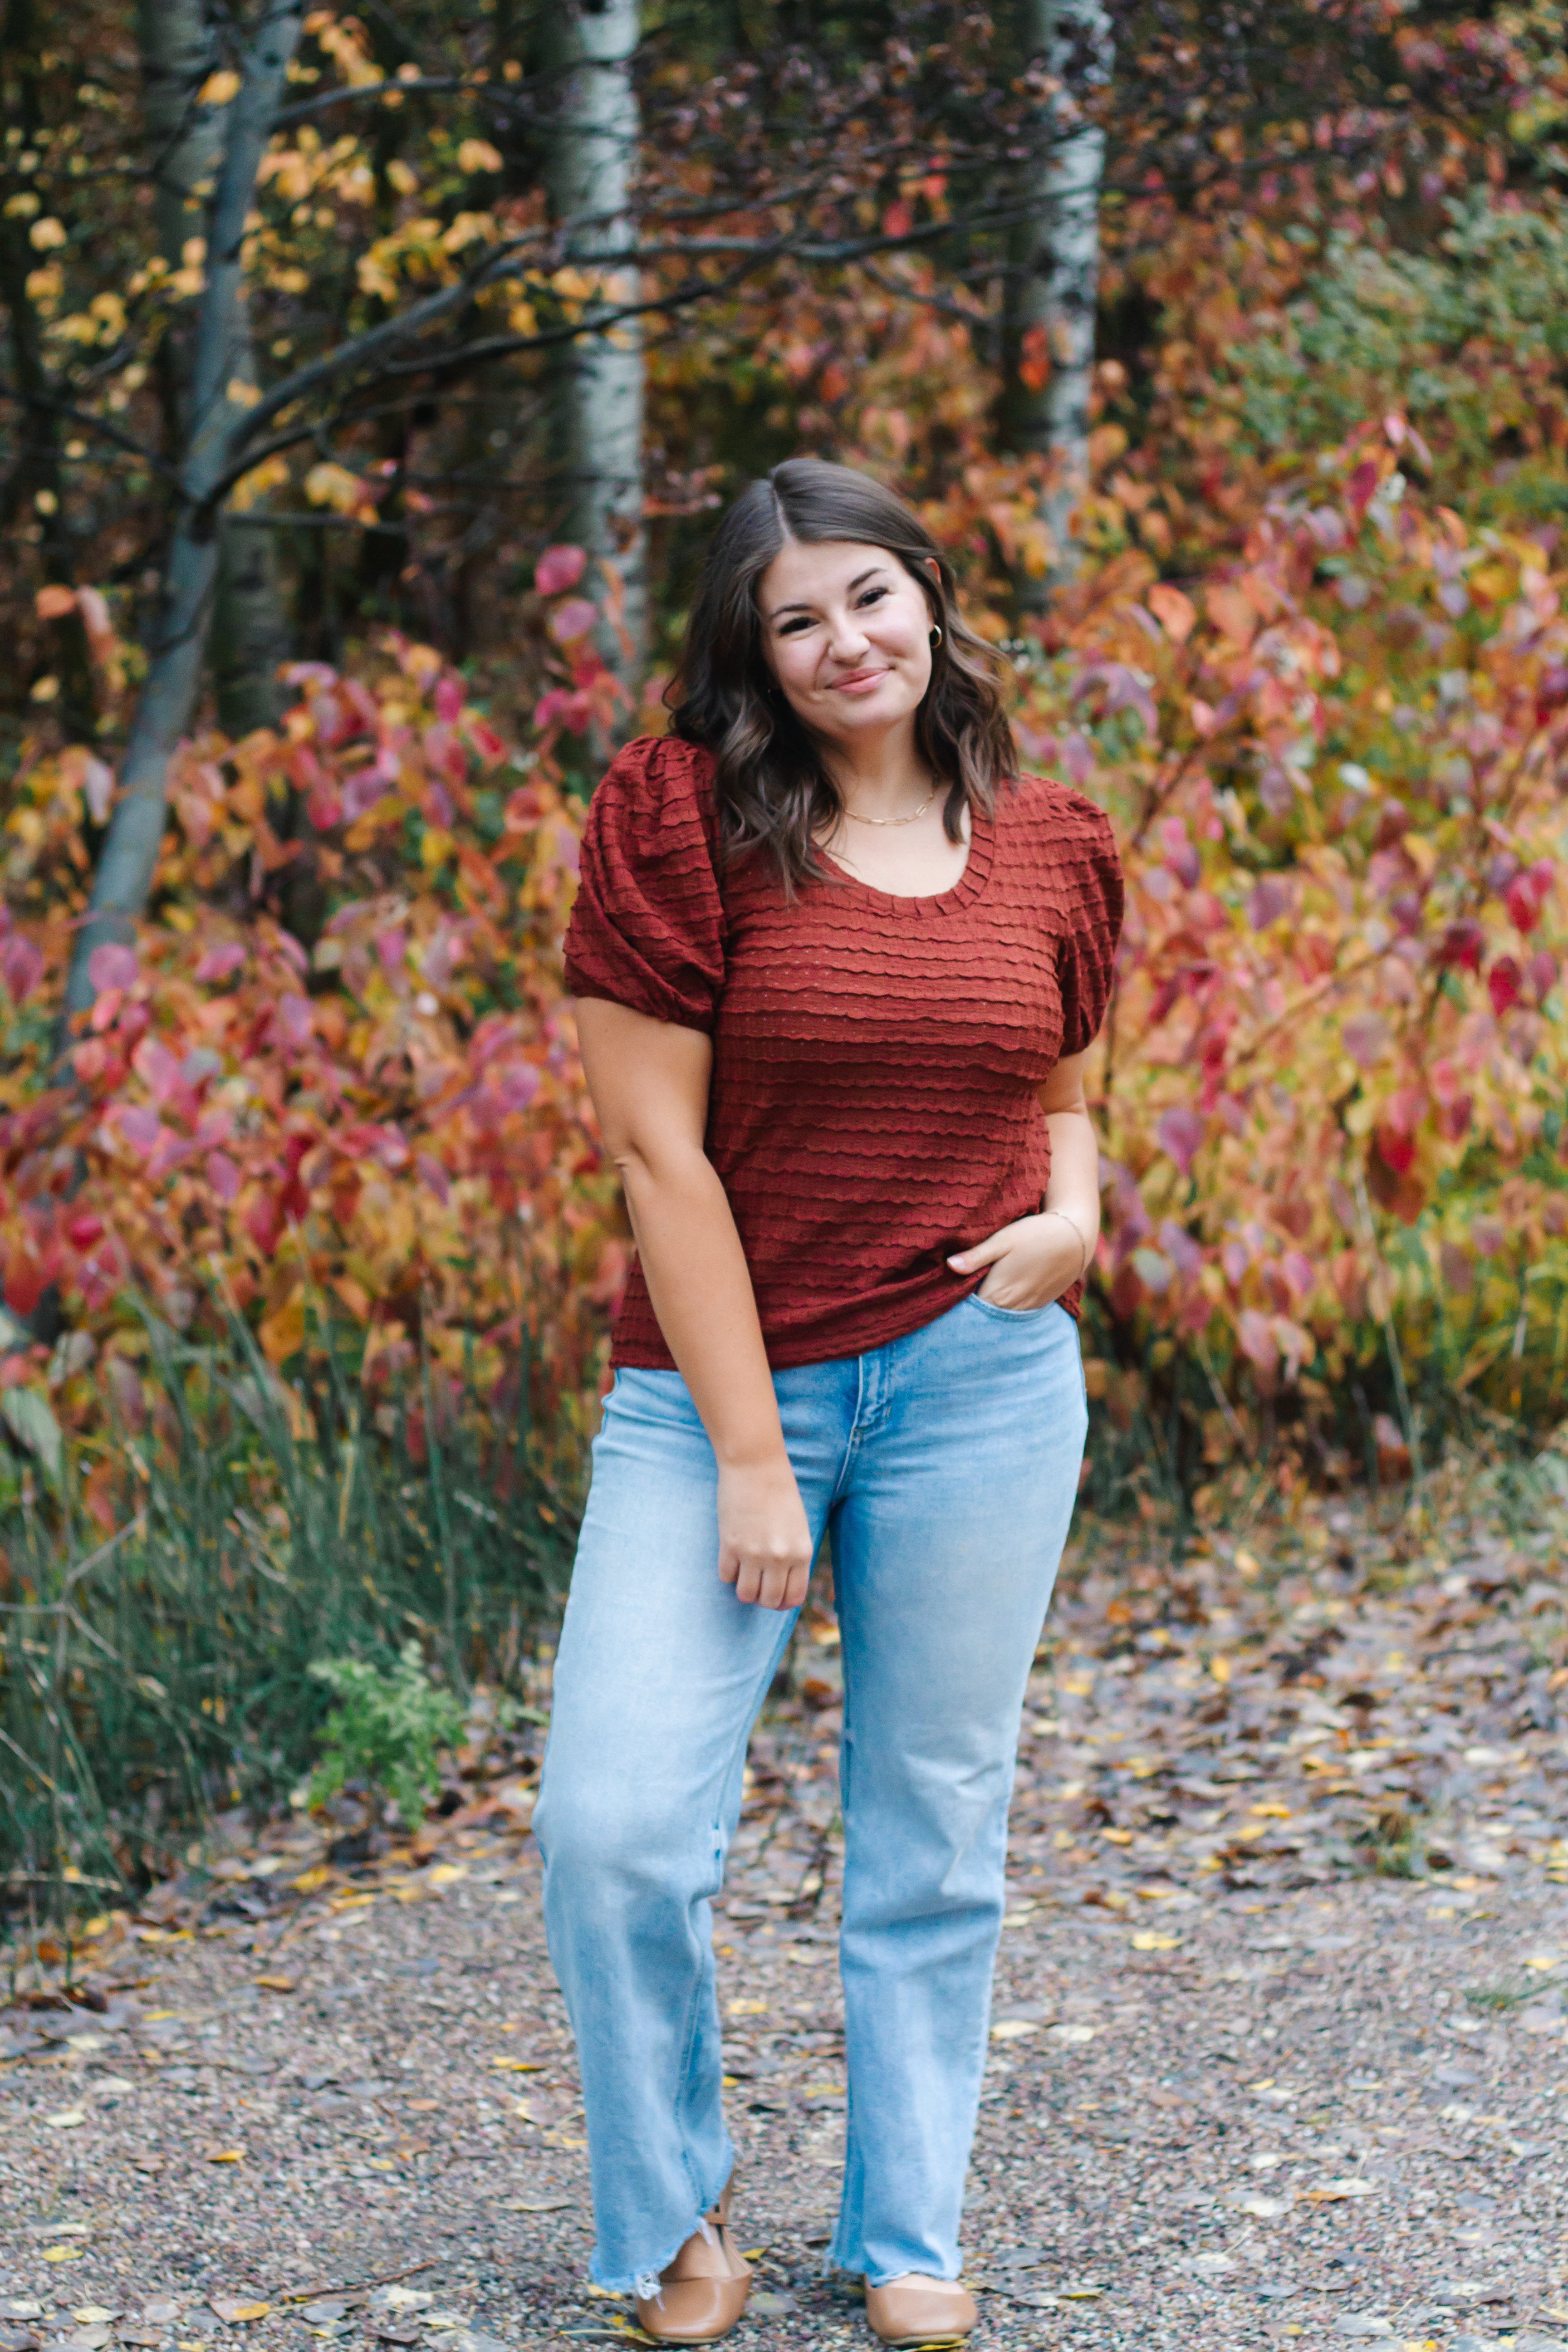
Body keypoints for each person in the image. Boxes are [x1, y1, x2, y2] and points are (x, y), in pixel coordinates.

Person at [533, 457, 1122, 2347]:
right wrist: (751, 1452)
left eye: (869, 596)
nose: (843, 642)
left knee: (936, 1818)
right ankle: (672, 2222)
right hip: (718, 1398)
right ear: (754, 653)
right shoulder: (675, 820)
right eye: (797, 619)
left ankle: (905, 2226)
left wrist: (1082, 1208)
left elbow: (1073, 1067)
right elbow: (655, 1156)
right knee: (617, 1823)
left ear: (928, 597)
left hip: (984, 1385)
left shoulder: (1051, 837)